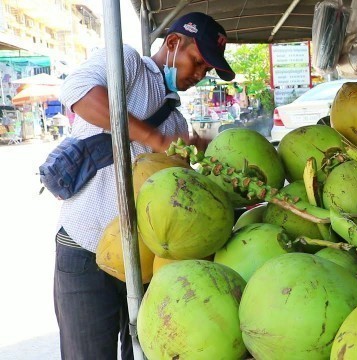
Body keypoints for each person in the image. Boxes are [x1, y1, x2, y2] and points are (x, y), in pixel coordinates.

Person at [53, 12, 235, 360]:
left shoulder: (178, 120)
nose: (198, 75)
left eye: (206, 71)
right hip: (84, 248)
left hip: (140, 262)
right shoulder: (129, 65)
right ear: (172, 43)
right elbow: (77, 94)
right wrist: (154, 138)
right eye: (196, 62)